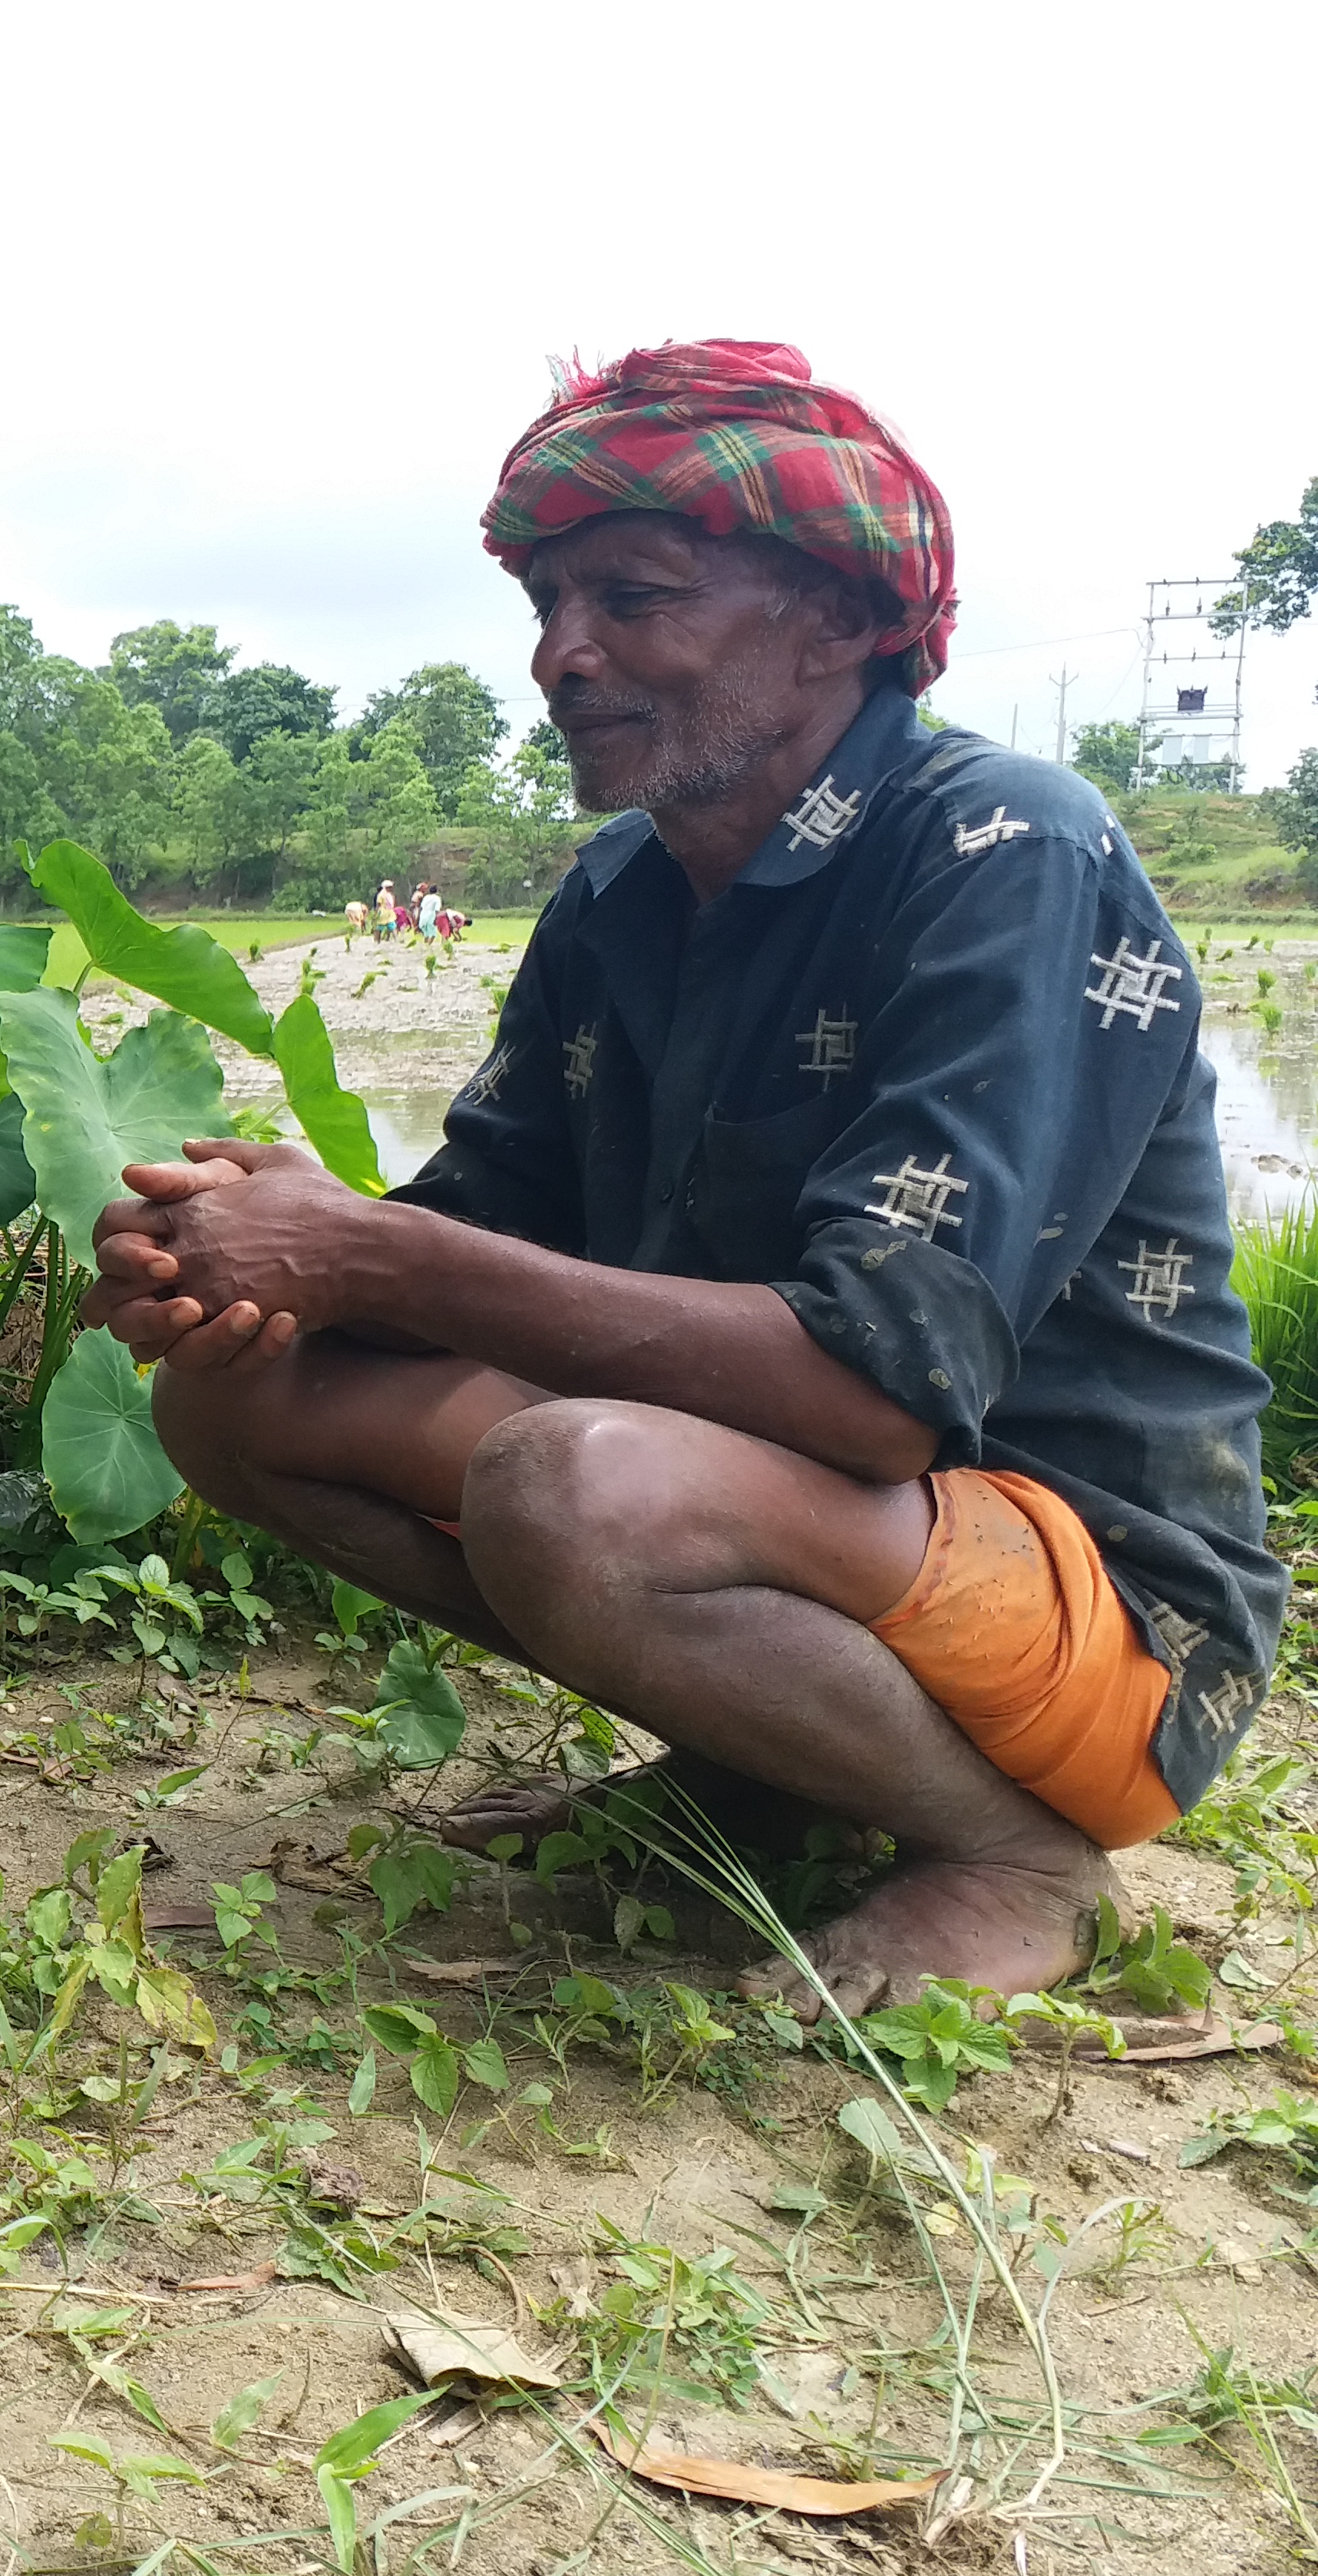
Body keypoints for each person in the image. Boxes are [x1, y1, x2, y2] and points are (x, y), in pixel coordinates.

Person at [84, 340, 1277, 2015]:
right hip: (823, 1524)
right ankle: (773, 1768)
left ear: (844, 623)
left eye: (635, 599)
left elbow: (877, 1400)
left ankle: (1012, 1855)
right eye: (550, 605)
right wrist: (240, 1269)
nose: (564, 657)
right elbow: (477, 1225)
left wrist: (372, 1260)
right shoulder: (619, 897)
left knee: (573, 1483)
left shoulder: (1010, 850)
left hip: (1100, 1595)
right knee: (245, 1408)